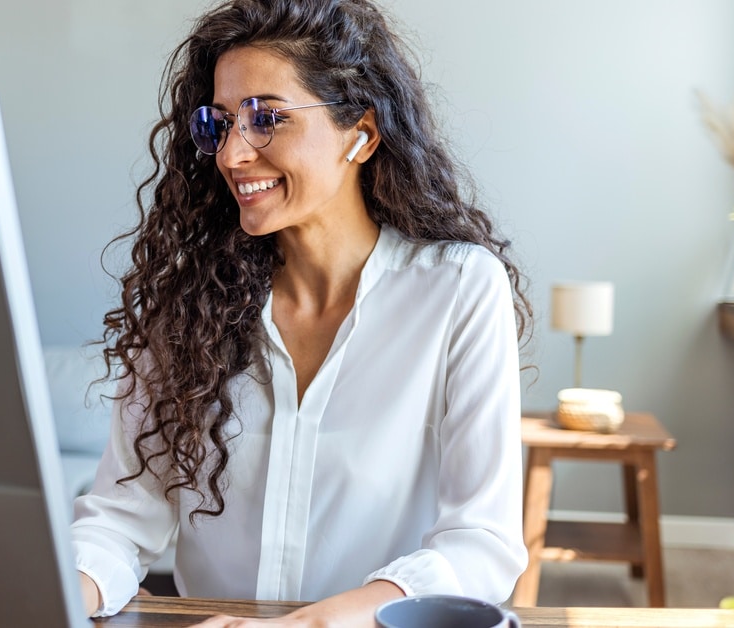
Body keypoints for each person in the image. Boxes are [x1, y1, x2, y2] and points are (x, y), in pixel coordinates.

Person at [71, 0, 533, 624]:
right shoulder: (190, 304)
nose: (233, 154)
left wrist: (313, 623)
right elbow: (117, 523)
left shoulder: (457, 290)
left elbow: (482, 542)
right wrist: (61, 590)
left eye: (266, 119)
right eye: (221, 123)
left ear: (362, 134)